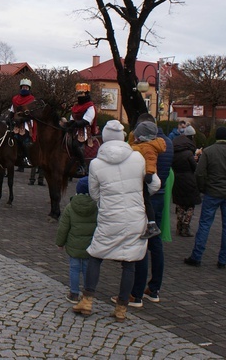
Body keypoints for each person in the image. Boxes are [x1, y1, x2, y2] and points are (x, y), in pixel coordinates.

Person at [71, 120, 150, 323]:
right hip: (135, 217)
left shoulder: (96, 164)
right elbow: (150, 184)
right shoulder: (138, 158)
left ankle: (87, 300)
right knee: (129, 262)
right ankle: (121, 308)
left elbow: (94, 193)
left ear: (105, 138)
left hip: (110, 217)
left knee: (96, 255)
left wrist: (106, 204)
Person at [128, 114, 173, 307]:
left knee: (141, 244)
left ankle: (135, 293)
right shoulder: (168, 144)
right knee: (156, 245)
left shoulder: (143, 148)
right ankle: (154, 289)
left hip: (144, 197)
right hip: (161, 197)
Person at [184, 126, 226, 269]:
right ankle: (223, 260)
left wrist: (203, 188)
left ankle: (197, 256)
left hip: (212, 192)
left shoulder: (209, 152)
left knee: (205, 224)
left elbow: (199, 173)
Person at [55, 177, 98, 304]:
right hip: (89, 245)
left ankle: (74, 292)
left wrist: (60, 243)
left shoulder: (70, 207)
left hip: (73, 245)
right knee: (86, 269)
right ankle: (86, 294)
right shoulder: (96, 206)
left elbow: (63, 227)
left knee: (74, 268)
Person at [129, 120, 166, 239]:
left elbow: (150, 160)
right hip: (144, 176)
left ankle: (151, 225)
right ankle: (151, 224)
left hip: (146, 177)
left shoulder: (147, 147)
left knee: (145, 200)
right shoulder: (146, 144)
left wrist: (149, 173)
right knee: (145, 200)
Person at [172, 125, 201, 237]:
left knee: (180, 204)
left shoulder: (175, 152)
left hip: (177, 180)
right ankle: (185, 227)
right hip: (189, 180)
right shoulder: (189, 153)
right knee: (190, 205)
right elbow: (195, 168)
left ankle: (178, 226)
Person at [65, 83, 97, 177]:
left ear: (86, 94)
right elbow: (72, 117)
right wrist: (68, 123)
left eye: (81, 93)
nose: (80, 95)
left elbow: (87, 120)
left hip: (84, 130)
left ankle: (83, 166)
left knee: (76, 144)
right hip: (74, 129)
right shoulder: (75, 106)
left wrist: (75, 123)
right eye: (78, 93)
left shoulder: (90, 106)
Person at [9, 78, 36, 167]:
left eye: (26, 87)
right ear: (21, 88)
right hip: (16, 122)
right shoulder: (15, 98)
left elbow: (33, 113)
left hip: (26, 123)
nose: (24, 89)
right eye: (23, 87)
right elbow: (12, 111)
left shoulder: (32, 99)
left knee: (24, 141)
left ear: (29, 89)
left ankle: (26, 158)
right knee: (11, 138)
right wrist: (9, 118)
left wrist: (24, 119)